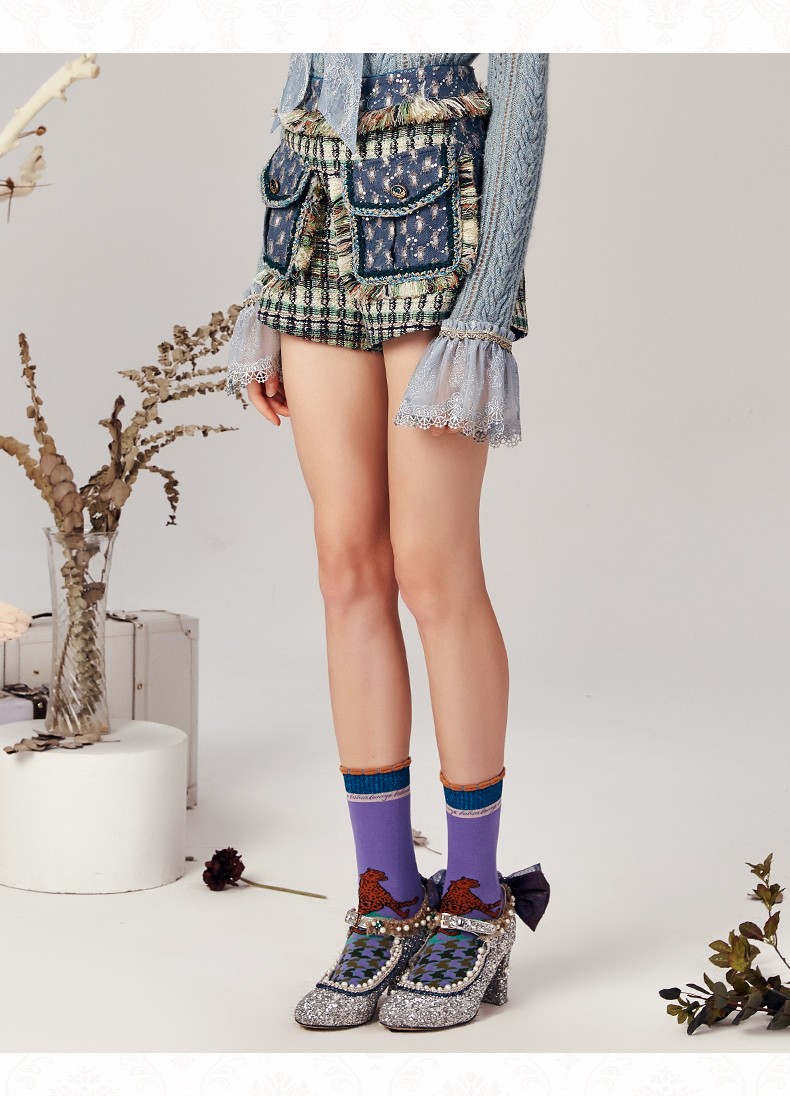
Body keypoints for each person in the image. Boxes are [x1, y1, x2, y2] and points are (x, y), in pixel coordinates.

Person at [225, 53, 552, 1032]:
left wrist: (484, 308)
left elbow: (522, 103)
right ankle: (387, 894)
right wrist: (266, 291)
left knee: (432, 568)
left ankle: (476, 897)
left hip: (436, 224)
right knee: (346, 567)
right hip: (313, 220)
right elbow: (306, 80)